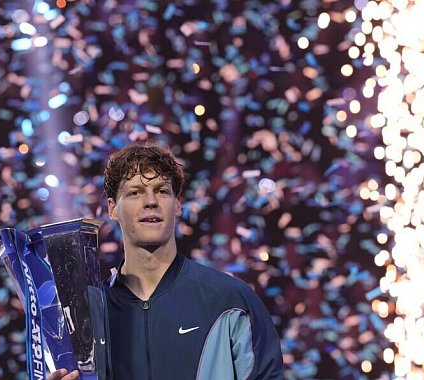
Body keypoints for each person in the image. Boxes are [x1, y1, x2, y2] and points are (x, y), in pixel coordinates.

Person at [49, 142, 284, 380]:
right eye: (135, 192)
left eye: (162, 191)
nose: (150, 201)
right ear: (113, 208)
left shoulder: (230, 300)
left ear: (178, 204)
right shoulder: (88, 313)